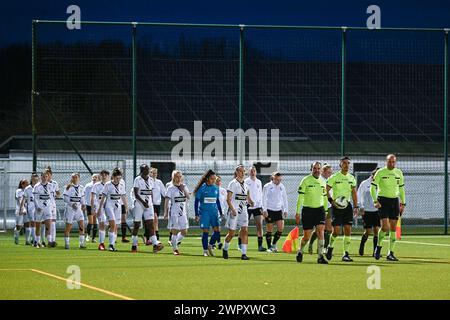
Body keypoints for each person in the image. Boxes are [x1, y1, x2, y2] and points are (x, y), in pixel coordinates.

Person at [370, 154, 406, 261]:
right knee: (385, 227)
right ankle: (378, 248)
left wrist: (403, 203)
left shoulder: (399, 172)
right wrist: (375, 200)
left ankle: (391, 253)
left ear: (396, 162)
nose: (392, 164)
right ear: (386, 162)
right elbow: (373, 187)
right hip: (383, 201)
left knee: (393, 228)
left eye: (393, 162)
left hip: (394, 201)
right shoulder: (380, 172)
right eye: (390, 162)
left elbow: (401, 189)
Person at [325, 156, 359, 262]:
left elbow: (353, 192)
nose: (346, 165)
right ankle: (330, 247)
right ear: (340, 165)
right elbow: (326, 189)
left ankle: (345, 253)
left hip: (347, 206)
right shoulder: (334, 177)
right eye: (344, 163)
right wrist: (331, 201)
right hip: (336, 206)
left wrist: (356, 206)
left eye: (348, 163)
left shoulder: (351, 178)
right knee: (336, 231)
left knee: (348, 229)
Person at [295, 162, 329, 264]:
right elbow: (300, 198)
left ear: (321, 170)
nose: (317, 170)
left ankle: (320, 256)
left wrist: (326, 210)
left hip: (320, 210)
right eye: (315, 168)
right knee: (307, 236)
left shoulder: (323, 181)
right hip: (307, 210)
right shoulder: (305, 180)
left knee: (320, 232)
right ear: (311, 169)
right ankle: (300, 250)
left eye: (319, 168)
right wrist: (297, 212)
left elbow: (324, 197)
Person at [222, 165, 254, 260]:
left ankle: (244, 254)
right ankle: (225, 248)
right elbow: (228, 199)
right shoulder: (233, 183)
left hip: (243, 211)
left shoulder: (246, 185)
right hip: (234, 211)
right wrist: (232, 209)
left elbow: (247, 197)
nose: (243, 173)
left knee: (245, 231)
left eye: (244, 171)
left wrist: (251, 202)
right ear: (236, 172)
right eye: (240, 171)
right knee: (232, 233)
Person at [131, 164, 164, 253]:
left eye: (147, 169)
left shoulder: (151, 180)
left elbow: (151, 192)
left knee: (151, 224)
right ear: (141, 171)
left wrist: (151, 203)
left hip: (148, 204)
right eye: (145, 169)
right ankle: (134, 245)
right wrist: (143, 202)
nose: (147, 171)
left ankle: (155, 244)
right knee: (137, 225)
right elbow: (136, 194)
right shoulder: (137, 179)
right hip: (139, 204)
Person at [98, 168, 128, 252]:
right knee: (113, 224)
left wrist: (126, 206)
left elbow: (123, 196)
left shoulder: (121, 184)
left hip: (117, 206)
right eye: (117, 178)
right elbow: (103, 197)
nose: (118, 180)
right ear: (113, 177)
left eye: (120, 178)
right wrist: (100, 208)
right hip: (109, 206)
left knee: (115, 226)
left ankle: (112, 244)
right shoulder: (108, 184)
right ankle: (108, 245)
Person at [194, 169, 223, 257]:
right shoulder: (202, 188)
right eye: (212, 179)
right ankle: (205, 250)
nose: (214, 181)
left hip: (214, 213)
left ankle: (210, 245)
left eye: (215, 179)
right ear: (207, 179)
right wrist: (196, 214)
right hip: (204, 213)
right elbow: (196, 201)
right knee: (206, 232)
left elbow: (217, 201)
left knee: (217, 232)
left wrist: (221, 212)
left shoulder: (216, 188)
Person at [308, 163, 333, 254]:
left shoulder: (330, 180)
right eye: (328, 172)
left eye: (331, 172)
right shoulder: (319, 180)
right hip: (319, 207)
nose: (330, 174)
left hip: (329, 206)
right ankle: (311, 243)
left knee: (329, 229)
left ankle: (324, 248)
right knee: (320, 229)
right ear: (323, 171)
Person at [164, 170, 190, 255]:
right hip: (174, 213)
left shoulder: (184, 186)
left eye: (180, 177)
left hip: (183, 213)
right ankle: (175, 249)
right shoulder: (170, 188)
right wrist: (165, 212)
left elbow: (188, 197)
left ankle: (173, 241)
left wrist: (184, 190)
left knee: (184, 231)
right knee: (175, 230)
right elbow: (166, 201)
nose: (178, 178)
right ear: (173, 177)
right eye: (176, 177)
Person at [262, 172, 288, 253]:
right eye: (277, 179)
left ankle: (274, 244)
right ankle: (269, 247)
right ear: (272, 178)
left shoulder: (282, 186)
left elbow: (284, 198)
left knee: (280, 228)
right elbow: (263, 198)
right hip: (269, 210)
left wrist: (285, 210)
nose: (278, 181)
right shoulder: (267, 186)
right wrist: (264, 210)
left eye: (280, 179)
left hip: (278, 210)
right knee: (269, 229)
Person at [358, 168, 381, 257]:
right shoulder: (364, 183)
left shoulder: (380, 184)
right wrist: (360, 206)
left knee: (376, 230)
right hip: (367, 210)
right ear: (373, 174)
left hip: (376, 211)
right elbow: (359, 195)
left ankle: (375, 252)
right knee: (368, 231)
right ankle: (362, 244)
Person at [62, 173, 87, 249]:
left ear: (79, 178)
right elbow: (65, 198)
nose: (74, 179)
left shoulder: (81, 187)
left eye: (76, 177)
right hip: (70, 209)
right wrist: (72, 204)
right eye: (73, 177)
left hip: (78, 210)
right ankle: (67, 244)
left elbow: (82, 198)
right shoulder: (68, 187)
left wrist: (83, 204)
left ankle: (81, 244)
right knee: (68, 227)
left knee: (82, 226)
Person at [33, 170, 56, 248]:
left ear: (48, 177)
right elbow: (35, 198)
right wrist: (37, 207)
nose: (45, 178)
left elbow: (52, 198)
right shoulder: (37, 186)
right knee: (38, 226)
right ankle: (37, 242)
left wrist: (52, 206)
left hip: (48, 207)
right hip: (39, 208)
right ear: (41, 177)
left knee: (48, 225)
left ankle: (49, 241)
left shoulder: (51, 186)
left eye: (46, 176)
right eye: (43, 176)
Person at [244, 166, 265, 251]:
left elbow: (260, 194)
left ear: (256, 172)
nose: (253, 172)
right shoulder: (245, 181)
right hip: (248, 207)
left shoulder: (259, 182)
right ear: (249, 172)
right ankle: (240, 243)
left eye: (254, 171)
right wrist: (248, 202)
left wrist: (262, 206)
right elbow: (244, 194)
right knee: (244, 226)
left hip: (257, 207)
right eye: (251, 171)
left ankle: (260, 246)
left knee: (259, 226)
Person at [91, 170, 110, 251]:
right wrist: (92, 208)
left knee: (112, 225)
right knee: (101, 224)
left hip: (110, 207)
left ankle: (111, 243)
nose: (104, 176)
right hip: (100, 207)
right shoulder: (96, 185)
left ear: (108, 176)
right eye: (102, 175)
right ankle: (101, 244)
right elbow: (92, 197)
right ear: (100, 176)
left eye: (106, 175)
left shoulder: (111, 185)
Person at [20, 173, 39, 245]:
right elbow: (23, 198)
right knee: (33, 223)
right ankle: (35, 240)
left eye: (36, 179)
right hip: (31, 208)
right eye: (33, 179)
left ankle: (40, 239)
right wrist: (22, 208)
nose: (35, 180)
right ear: (31, 179)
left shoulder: (40, 187)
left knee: (39, 224)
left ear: (38, 179)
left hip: (39, 208)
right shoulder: (27, 188)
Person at [150, 167, 167, 242]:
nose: (154, 174)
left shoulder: (159, 182)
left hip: (157, 204)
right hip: (150, 204)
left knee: (154, 221)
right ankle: (156, 236)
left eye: (155, 173)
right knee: (155, 218)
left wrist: (170, 198)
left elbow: (164, 192)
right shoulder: (148, 182)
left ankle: (150, 235)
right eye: (152, 173)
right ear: (150, 173)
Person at [46, 166, 60, 248]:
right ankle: (47, 240)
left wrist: (56, 195)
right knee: (46, 223)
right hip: (44, 206)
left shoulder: (54, 183)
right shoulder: (42, 184)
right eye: (45, 174)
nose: (47, 176)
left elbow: (58, 193)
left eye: (48, 174)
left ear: (51, 175)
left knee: (53, 223)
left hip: (52, 205)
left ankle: (53, 240)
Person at [84, 174, 100, 242]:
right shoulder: (88, 186)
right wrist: (85, 203)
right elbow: (84, 194)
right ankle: (88, 235)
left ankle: (93, 238)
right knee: (90, 221)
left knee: (95, 221)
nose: (94, 178)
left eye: (96, 177)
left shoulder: (99, 186)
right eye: (93, 177)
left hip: (96, 205)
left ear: (98, 178)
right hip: (89, 205)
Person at [14, 179, 28, 244]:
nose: (26, 184)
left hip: (28, 210)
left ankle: (28, 240)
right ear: (21, 184)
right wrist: (22, 209)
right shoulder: (18, 191)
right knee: (19, 226)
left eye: (27, 183)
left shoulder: (29, 190)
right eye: (24, 183)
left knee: (28, 225)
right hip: (19, 209)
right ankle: (16, 236)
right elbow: (20, 200)